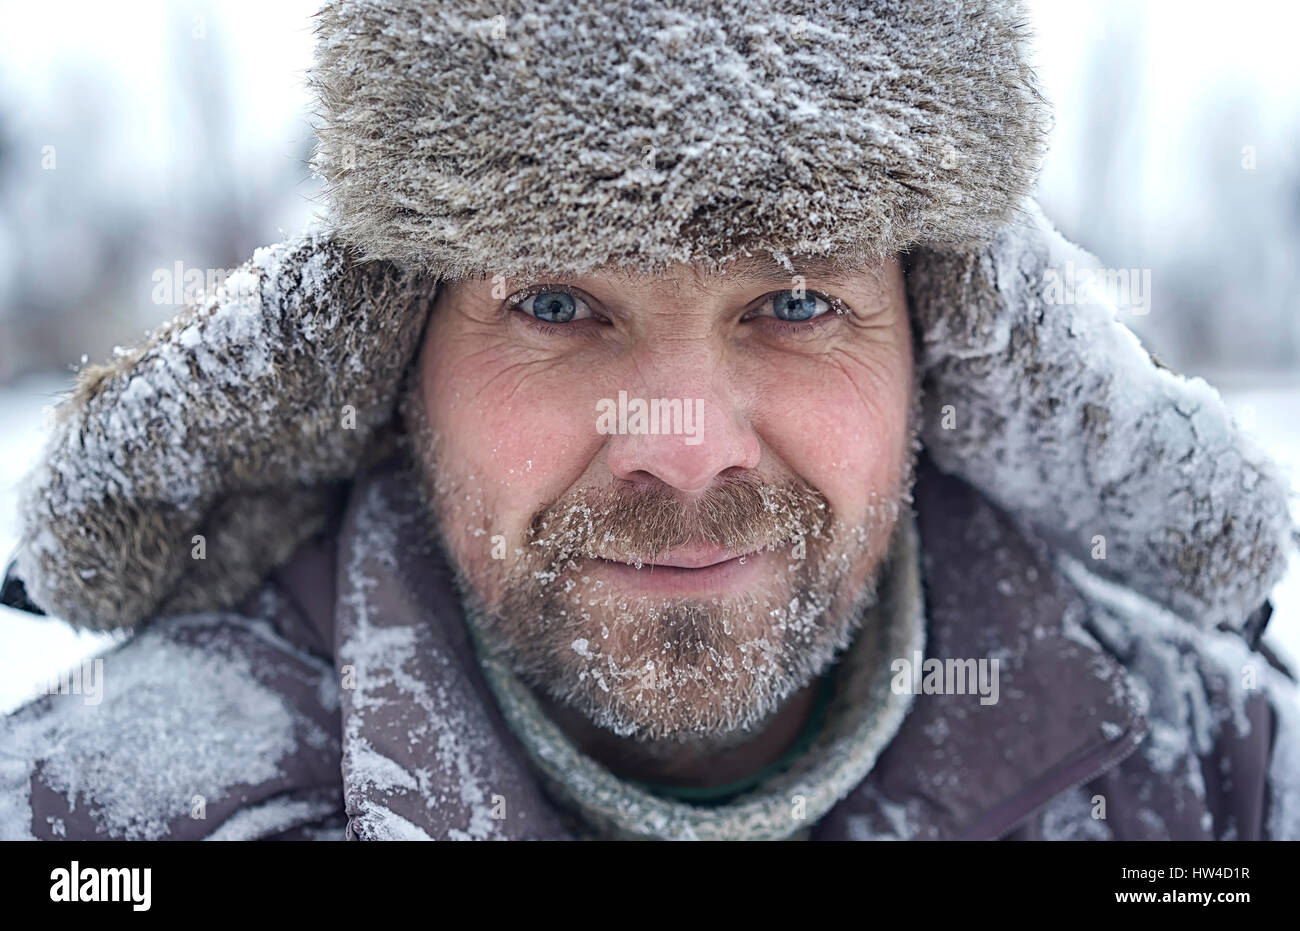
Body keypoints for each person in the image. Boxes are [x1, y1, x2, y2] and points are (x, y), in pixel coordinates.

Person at [2, 0, 1296, 841]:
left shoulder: (1217, 780)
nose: (683, 441)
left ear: (936, 345)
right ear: (397, 357)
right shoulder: (102, 816)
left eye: (793, 300)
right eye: (559, 301)